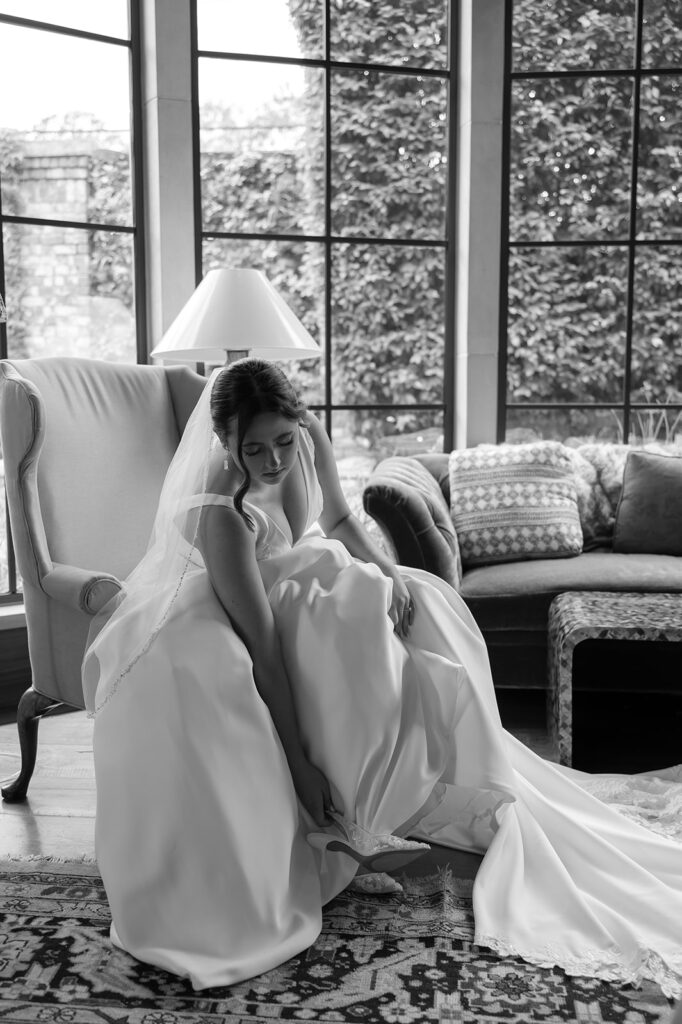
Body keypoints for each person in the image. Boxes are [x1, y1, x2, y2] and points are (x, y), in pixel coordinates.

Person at [83, 358, 682, 995]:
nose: (275, 461)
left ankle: (384, 804)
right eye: (253, 449)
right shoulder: (219, 512)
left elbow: (338, 523)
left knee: (413, 597)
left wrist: (391, 573)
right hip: (220, 623)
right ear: (224, 442)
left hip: (280, 591)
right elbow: (260, 644)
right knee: (346, 615)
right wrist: (300, 762)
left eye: (285, 441)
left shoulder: (303, 438)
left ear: (299, 422)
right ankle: (343, 816)